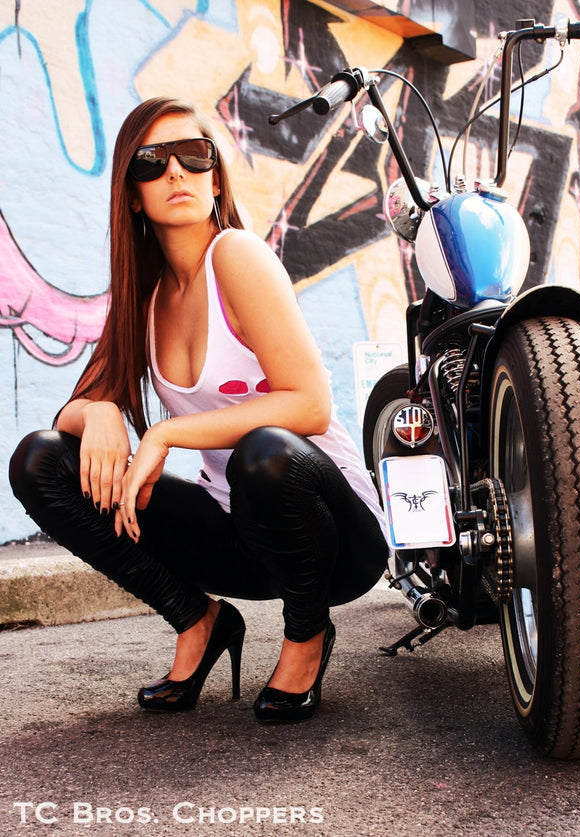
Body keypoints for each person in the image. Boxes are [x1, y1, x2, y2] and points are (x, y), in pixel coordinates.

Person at [9, 96, 389, 723]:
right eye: (152, 163)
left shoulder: (236, 257)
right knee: (42, 461)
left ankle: (308, 636)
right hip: (242, 533)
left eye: (194, 156)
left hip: (334, 536)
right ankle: (198, 620)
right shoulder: (147, 294)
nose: (176, 174)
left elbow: (311, 403)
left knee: (262, 450)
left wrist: (165, 434)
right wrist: (99, 412)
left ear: (215, 177)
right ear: (132, 194)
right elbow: (71, 414)